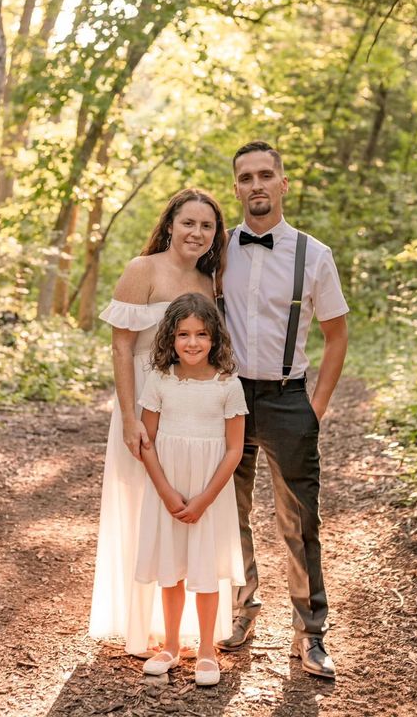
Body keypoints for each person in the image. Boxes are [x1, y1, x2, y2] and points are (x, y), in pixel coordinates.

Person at [217, 140, 349, 679]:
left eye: (265, 175)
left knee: (300, 520)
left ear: (283, 183)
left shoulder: (314, 255)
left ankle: (310, 633)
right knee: (230, 513)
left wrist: (315, 406)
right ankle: (242, 607)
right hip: (225, 398)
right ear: (236, 188)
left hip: (288, 398)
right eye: (245, 177)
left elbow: (336, 335)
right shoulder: (217, 249)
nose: (256, 185)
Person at [88, 189, 228, 657]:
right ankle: (140, 624)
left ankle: (185, 628)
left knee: (185, 499)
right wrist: (129, 417)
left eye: (207, 226)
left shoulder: (210, 281)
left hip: (191, 407)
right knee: (143, 504)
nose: (197, 233)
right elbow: (122, 347)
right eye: (189, 223)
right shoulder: (141, 270)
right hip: (143, 402)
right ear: (170, 224)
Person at [135, 293, 247, 685]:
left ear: (215, 338)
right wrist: (166, 491)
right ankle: (169, 645)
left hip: (208, 491)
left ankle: (205, 650)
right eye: (183, 334)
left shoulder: (228, 385)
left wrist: (203, 499)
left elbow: (234, 449)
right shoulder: (159, 380)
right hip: (169, 486)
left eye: (201, 334)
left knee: (204, 569)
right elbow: (146, 441)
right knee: (171, 569)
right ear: (171, 337)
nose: (193, 342)